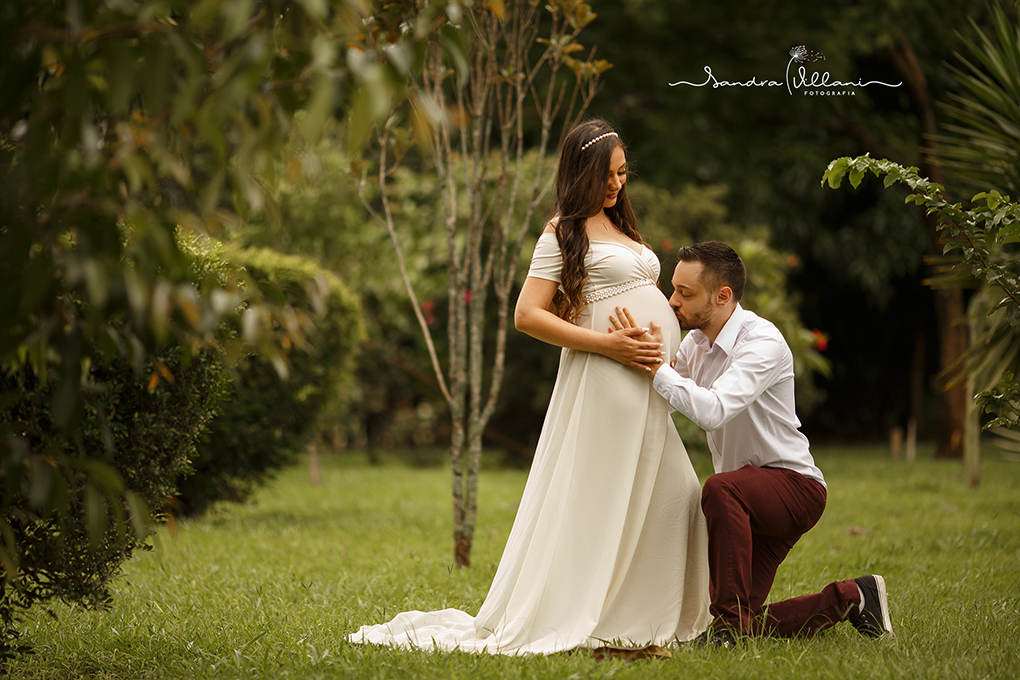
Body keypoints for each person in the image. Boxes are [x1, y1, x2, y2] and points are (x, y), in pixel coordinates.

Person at [346, 119, 711, 655]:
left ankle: (646, 614)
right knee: (604, 495)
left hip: (645, 379)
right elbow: (527, 315)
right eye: (608, 175)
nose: (617, 185)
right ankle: (600, 618)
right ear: (582, 173)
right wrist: (609, 345)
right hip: (606, 376)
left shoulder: (622, 227)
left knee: (672, 492)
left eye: (623, 173)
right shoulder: (561, 232)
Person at [611, 241, 893, 645]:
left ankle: (726, 631)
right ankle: (855, 596)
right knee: (748, 620)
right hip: (744, 503)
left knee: (721, 490)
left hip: (793, 487)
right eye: (673, 289)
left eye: (685, 293)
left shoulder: (762, 342)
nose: (672, 301)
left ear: (722, 296)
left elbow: (712, 410)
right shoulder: (694, 346)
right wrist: (632, 353)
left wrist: (657, 366)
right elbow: (667, 400)